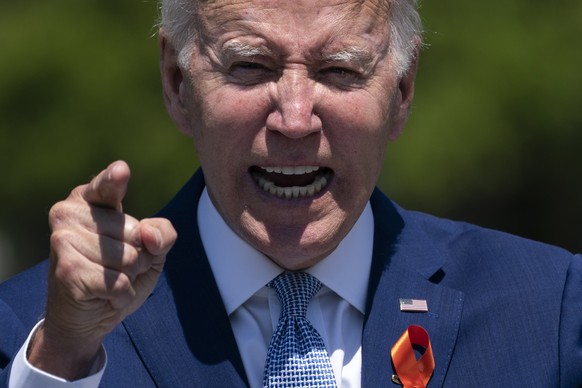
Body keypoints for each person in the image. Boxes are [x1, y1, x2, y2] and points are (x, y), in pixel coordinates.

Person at [1, 0, 581, 386]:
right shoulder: (34, 337)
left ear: (402, 93)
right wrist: (63, 359)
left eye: (339, 70)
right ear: (178, 83)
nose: (296, 119)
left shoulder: (547, 310)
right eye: (251, 66)